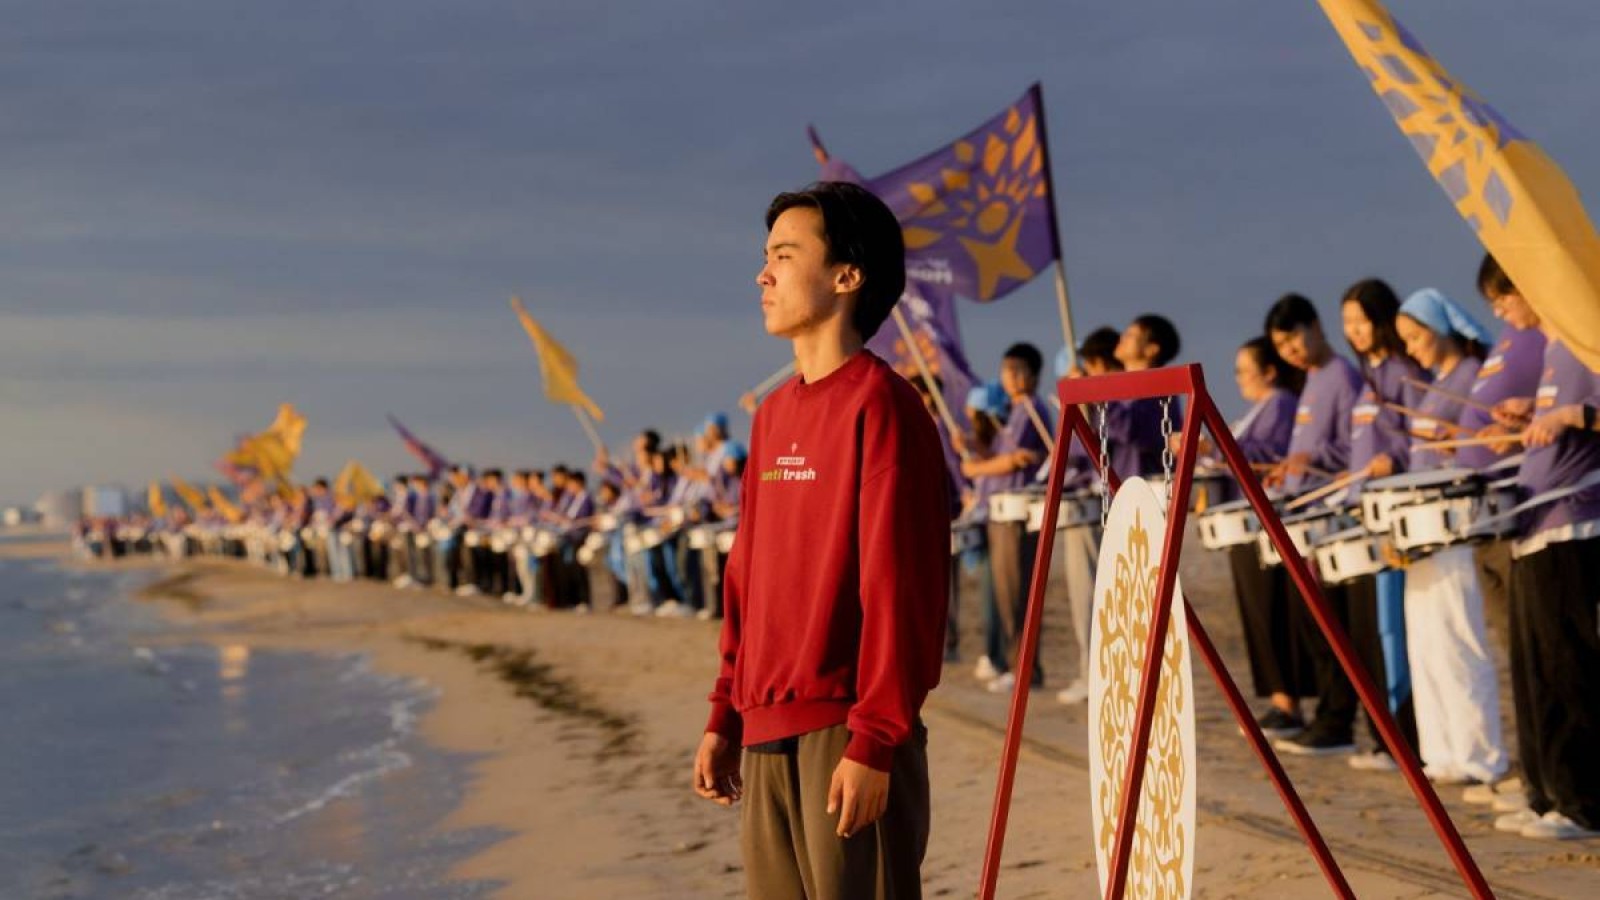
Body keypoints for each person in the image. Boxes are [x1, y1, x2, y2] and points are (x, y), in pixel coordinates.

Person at [693, 182, 949, 899]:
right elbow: (748, 578)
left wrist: (875, 739)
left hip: (846, 731)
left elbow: (902, 589)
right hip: (763, 726)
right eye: (765, 256)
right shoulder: (771, 416)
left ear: (847, 276)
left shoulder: (884, 406)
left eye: (784, 254)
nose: (763, 274)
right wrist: (724, 712)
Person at [1489, 319, 1600, 840]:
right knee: (1533, 671)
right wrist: (1532, 417)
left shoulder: (1589, 336)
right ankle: (1546, 792)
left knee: (1567, 667)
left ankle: (1582, 802)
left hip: (1572, 521)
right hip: (1532, 525)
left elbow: (1586, 415)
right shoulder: (1557, 347)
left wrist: (1573, 415)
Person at [1392, 288, 1506, 787]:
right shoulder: (1438, 382)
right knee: (1427, 645)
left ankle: (1481, 754)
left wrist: (1450, 443)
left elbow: (1477, 449)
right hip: (1422, 531)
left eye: (1416, 336)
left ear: (1441, 328)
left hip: (1454, 529)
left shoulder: (1473, 377)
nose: (1412, 348)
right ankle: (1442, 751)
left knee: (1461, 640)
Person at [1263, 293, 1366, 757]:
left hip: (1332, 512)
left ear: (1315, 326)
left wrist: (1313, 459)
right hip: (1304, 508)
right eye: (1282, 347)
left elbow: (1352, 448)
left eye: (1293, 339)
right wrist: (1290, 465)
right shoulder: (1310, 381)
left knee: (1330, 624)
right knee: (1311, 623)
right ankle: (1328, 712)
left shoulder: (1342, 376)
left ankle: (1337, 719)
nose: (1291, 351)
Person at [1216, 337, 1303, 735]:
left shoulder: (1281, 403)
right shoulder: (1260, 409)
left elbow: (1266, 453)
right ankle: (1276, 698)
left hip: (1265, 517)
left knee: (1270, 609)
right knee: (1255, 610)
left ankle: (1287, 702)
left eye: (1242, 370)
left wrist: (1213, 445)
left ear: (1269, 371)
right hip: (1244, 516)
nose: (1237, 379)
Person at [962, 342, 1051, 695]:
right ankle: (1019, 667)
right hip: (999, 513)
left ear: (1032, 375)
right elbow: (1000, 455)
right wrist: (968, 445)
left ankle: (1026, 670)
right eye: (1005, 371)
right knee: (1005, 594)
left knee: (1017, 594)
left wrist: (977, 466)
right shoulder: (1015, 411)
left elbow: (1016, 460)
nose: (1009, 378)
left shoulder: (1031, 409)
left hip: (1018, 514)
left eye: (1016, 371)